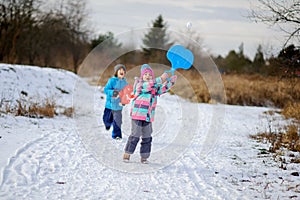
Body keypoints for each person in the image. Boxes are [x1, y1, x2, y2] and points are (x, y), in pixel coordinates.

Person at [123, 64, 177, 163]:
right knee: (135, 134)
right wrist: (160, 78)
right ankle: (127, 153)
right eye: (145, 74)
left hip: (148, 116)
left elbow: (162, 89)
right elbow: (148, 85)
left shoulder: (153, 88)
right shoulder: (140, 85)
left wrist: (170, 82)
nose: (148, 76)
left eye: (150, 75)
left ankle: (144, 157)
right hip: (137, 115)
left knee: (147, 136)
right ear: (142, 76)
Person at [103, 64, 128, 139]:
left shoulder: (125, 83)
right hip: (109, 105)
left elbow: (126, 94)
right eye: (120, 70)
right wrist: (113, 92)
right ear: (116, 72)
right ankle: (107, 124)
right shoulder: (112, 81)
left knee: (117, 121)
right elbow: (106, 90)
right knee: (107, 119)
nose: (122, 71)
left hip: (118, 106)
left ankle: (117, 135)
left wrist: (124, 101)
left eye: (123, 70)